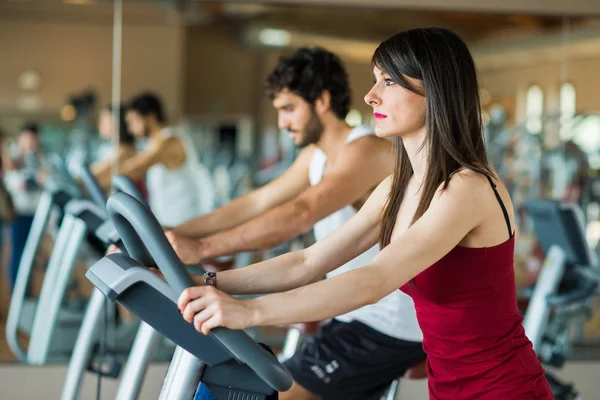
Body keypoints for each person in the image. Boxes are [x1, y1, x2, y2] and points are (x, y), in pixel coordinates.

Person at [177, 28, 554, 400]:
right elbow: (307, 262)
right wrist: (205, 281)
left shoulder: (468, 188)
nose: (371, 96)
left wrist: (250, 312)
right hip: (448, 389)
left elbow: (374, 280)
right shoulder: (398, 186)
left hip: (503, 390)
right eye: (375, 81)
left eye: (388, 82)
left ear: (434, 89)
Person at [167, 47, 424, 400]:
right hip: (351, 316)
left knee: (259, 395)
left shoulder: (365, 150)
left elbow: (301, 213)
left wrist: (203, 249)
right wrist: (176, 233)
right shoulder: (317, 155)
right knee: (231, 384)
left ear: (321, 100)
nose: (283, 123)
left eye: (289, 109)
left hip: (385, 325)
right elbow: (258, 201)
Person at [100, 92, 213, 227]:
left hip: (184, 222)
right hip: (168, 222)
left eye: (133, 121)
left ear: (150, 117)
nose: (130, 129)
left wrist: (97, 181)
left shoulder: (169, 141)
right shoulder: (152, 143)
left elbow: (135, 168)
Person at [4, 123, 48, 289]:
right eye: (27, 139)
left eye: (33, 139)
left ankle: (28, 290)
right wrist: (19, 183)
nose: (30, 143)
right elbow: (9, 182)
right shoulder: (13, 160)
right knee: (18, 252)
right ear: (20, 139)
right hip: (19, 213)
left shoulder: (42, 160)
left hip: (37, 213)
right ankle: (17, 291)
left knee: (33, 254)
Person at [91, 104, 146, 197]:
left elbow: (99, 174)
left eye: (105, 120)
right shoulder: (115, 148)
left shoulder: (125, 150)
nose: (100, 124)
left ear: (117, 122)